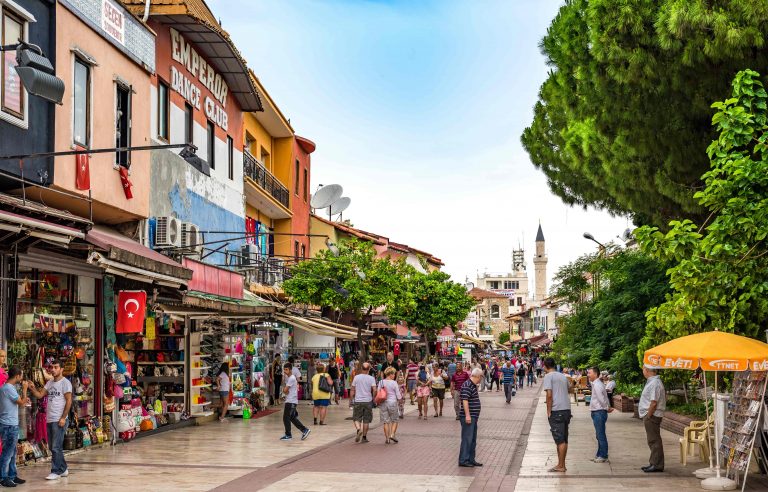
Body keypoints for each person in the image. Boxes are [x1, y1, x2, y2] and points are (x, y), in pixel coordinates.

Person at [28, 359, 72, 480]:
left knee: (55, 447)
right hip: (50, 419)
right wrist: (32, 388)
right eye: (51, 367)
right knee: (53, 446)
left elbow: (69, 401)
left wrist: (63, 418)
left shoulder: (65, 383)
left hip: (59, 419)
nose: (52, 369)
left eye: (56, 367)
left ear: (61, 369)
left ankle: (55, 471)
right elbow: (40, 395)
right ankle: (63, 469)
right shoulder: (50, 383)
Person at [542, 357, 571, 473]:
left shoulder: (548, 376)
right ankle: (561, 464)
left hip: (557, 410)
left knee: (559, 440)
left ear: (545, 366)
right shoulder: (562, 376)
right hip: (566, 410)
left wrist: (548, 410)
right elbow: (571, 388)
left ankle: (561, 466)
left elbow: (549, 395)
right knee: (564, 438)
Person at [0, 367, 28, 487]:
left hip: (10, 424)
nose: (22, 378)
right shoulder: (8, 388)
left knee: (13, 451)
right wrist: (25, 389)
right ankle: (3, 477)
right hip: (8, 425)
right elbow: (22, 403)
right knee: (7, 452)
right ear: (17, 376)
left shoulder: (8, 388)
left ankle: (12, 475)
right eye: (21, 375)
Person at [639, 365, 666, 473]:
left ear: (647, 370)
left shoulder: (654, 383)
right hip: (651, 414)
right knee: (652, 440)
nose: (643, 372)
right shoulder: (653, 381)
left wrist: (649, 415)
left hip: (652, 415)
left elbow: (654, 402)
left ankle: (657, 464)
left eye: (643, 369)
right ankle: (653, 462)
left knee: (654, 440)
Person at [588, 366, 614, 462]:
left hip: (599, 412)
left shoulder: (598, 385)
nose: (588, 375)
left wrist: (607, 408)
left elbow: (602, 399)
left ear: (595, 374)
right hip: (598, 411)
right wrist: (607, 407)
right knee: (599, 435)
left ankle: (603, 456)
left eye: (589, 373)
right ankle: (599, 454)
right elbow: (605, 398)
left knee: (600, 434)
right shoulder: (597, 383)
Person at [458, 368, 483, 467]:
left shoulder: (472, 385)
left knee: (472, 439)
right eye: (481, 376)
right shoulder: (467, 385)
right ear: (478, 376)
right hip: (469, 417)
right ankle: (464, 460)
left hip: (473, 417)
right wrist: (467, 415)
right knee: (467, 438)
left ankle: (471, 459)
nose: (481, 379)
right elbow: (465, 400)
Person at [279, 362, 310, 441]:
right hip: (292, 401)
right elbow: (285, 391)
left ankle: (288, 435)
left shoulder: (292, 378)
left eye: (286, 370)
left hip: (290, 401)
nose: (285, 371)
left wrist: (285, 390)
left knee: (286, 418)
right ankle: (304, 430)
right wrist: (285, 390)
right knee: (292, 418)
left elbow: (285, 390)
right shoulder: (289, 378)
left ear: (290, 370)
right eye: (284, 370)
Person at [351, 362, 377, 443]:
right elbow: (375, 390)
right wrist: (373, 397)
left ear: (361, 368)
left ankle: (359, 429)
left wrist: (351, 399)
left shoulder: (356, 377)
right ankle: (364, 437)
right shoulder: (371, 378)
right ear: (369, 369)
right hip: (368, 401)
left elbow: (352, 389)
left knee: (356, 418)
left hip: (358, 401)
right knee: (366, 420)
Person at [378, 367, 402, 443]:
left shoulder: (381, 382)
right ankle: (392, 434)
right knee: (394, 420)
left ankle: (387, 439)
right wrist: (400, 400)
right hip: (392, 403)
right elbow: (398, 395)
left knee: (386, 422)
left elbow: (379, 392)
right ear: (390, 374)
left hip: (383, 403)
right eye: (394, 374)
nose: (394, 375)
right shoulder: (394, 383)